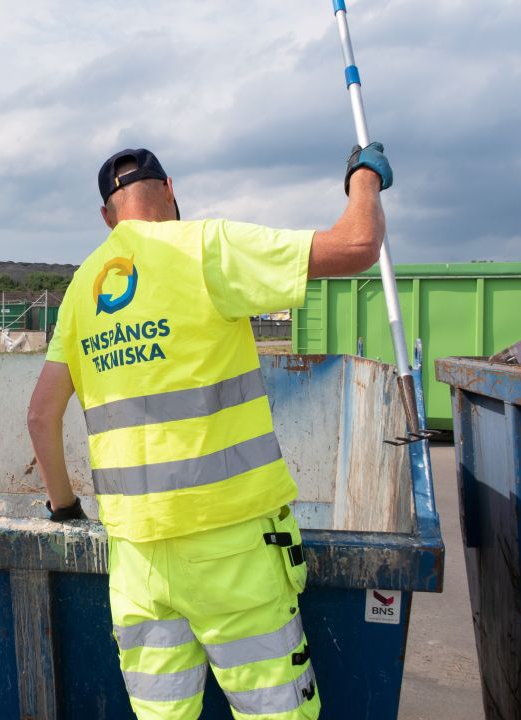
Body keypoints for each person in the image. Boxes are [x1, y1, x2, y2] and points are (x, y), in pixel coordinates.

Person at [26, 144, 390, 719]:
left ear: (107, 216)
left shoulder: (83, 287)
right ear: (169, 190)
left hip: (137, 561)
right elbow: (357, 245)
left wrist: (66, 511)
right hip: (232, 549)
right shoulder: (203, 247)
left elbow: (41, 416)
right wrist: (364, 179)